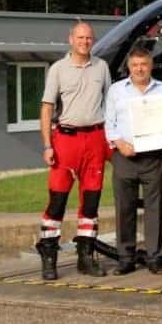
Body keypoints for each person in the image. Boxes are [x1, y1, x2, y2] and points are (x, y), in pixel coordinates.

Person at [36, 20, 112, 280]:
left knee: (91, 201)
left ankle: (86, 257)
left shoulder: (102, 67)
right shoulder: (58, 69)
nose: (84, 42)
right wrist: (47, 145)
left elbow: (110, 104)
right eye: (80, 38)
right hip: (65, 140)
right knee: (57, 202)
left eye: (89, 38)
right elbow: (46, 108)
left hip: (95, 139)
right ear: (71, 39)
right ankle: (49, 257)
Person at [105, 46, 162, 276]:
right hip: (125, 156)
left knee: (155, 208)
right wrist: (120, 144)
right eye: (135, 65)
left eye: (144, 64)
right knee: (125, 207)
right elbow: (109, 124)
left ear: (150, 65)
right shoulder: (116, 91)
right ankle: (126, 257)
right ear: (129, 67)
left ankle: (154, 257)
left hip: (154, 157)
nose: (140, 69)